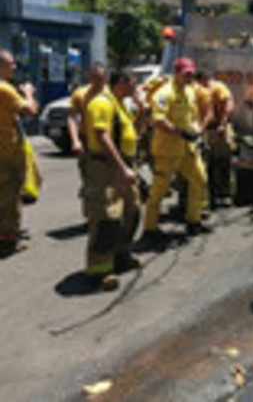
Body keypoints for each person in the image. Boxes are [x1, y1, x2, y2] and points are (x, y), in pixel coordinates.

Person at [82, 69, 142, 291]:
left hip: (123, 165)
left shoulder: (120, 104)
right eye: (133, 82)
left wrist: (143, 114)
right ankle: (100, 271)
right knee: (107, 219)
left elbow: (132, 134)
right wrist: (123, 168)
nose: (136, 86)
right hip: (106, 168)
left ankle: (121, 256)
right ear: (122, 82)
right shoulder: (102, 103)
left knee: (131, 212)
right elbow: (102, 135)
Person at [141, 57, 211, 246]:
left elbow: (193, 116)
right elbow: (158, 120)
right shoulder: (164, 93)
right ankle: (150, 228)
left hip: (188, 148)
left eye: (191, 73)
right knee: (159, 190)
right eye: (186, 73)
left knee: (199, 180)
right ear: (177, 73)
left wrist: (196, 131)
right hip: (168, 149)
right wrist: (180, 133)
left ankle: (193, 220)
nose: (190, 77)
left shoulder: (190, 91)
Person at [0, 50, 38, 256]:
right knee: (10, 194)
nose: (14, 68)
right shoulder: (5, 89)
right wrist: (28, 93)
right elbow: (30, 110)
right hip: (6, 150)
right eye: (10, 64)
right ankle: (8, 239)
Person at [66, 63, 107, 215]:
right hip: (87, 141)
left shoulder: (110, 93)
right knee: (90, 178)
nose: (97, 82)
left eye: (101, 78)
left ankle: (104, 211)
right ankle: (91, 213)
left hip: (107, 141)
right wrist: (75, 140)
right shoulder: (80, 94)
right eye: (94, 78)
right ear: (88, 77)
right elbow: (71, 118)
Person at [196, 70, 236, 208]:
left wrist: (223, 124)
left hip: (219, 127)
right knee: (207, 163)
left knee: (223, 161)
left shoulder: (218, 88)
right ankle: (209, 195)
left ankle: (225, 194)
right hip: (205, 129)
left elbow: (228, 106)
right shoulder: (196, 90)